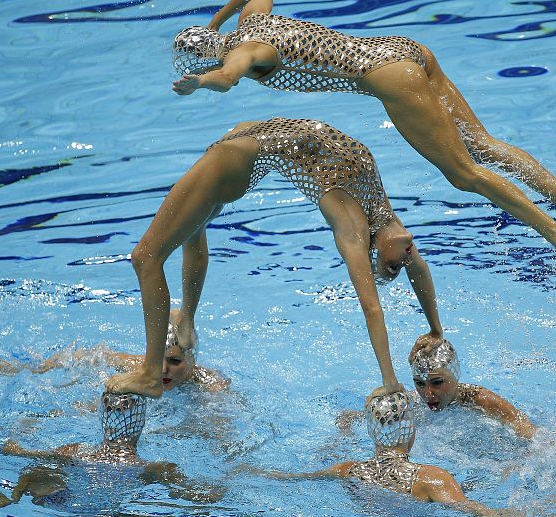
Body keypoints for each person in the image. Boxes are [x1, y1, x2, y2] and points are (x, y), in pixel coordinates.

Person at [171, 0, 556, 287]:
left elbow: (228, 77)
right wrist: (216, 21)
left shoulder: (245, 51)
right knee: (483, 146)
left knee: (464, 174)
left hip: (393, 78)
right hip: (402, 48)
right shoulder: (250, 22)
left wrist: (201, 83)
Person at [106, 118, 443, 398]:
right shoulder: (383, 213)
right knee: (193, 232)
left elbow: (371, 307)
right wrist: (434, 328)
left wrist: (389, 380)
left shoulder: (353, 228)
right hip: (238, 149)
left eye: (396, 263)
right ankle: (187, 321)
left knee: (145, 258)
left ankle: (151, 374)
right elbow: (419, 270)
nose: (408, 251)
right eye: (398, 264)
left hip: (231, 161)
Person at [251, 390, 556, 517]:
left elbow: (288, 479)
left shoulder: (347, 469)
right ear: (411, 432)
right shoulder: (431, 478)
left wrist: (250, 470)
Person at [0, 392, 224, 517]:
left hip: (70, 509)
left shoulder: (76, 451)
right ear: (140, 421)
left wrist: (22, 429)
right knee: (42, 469)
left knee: (38, 470)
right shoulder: (152, 467)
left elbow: (14, 451)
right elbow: (194, 495)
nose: (117, 412)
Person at [0, 312, 230, 394]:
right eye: (156, 358)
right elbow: (89, 356)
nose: (162, 370)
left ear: (193, 360)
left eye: (174, 361)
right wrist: (29, 370)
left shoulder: (210, 385)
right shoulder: (141, 366)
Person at [337, 337, 536, 440]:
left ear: (455, 375)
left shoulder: (479, 400)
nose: (427, 394)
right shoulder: (411, 403)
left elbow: (529, 431)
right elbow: (347, 416)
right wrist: (344, 438)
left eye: (437, 383)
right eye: (420, 383)